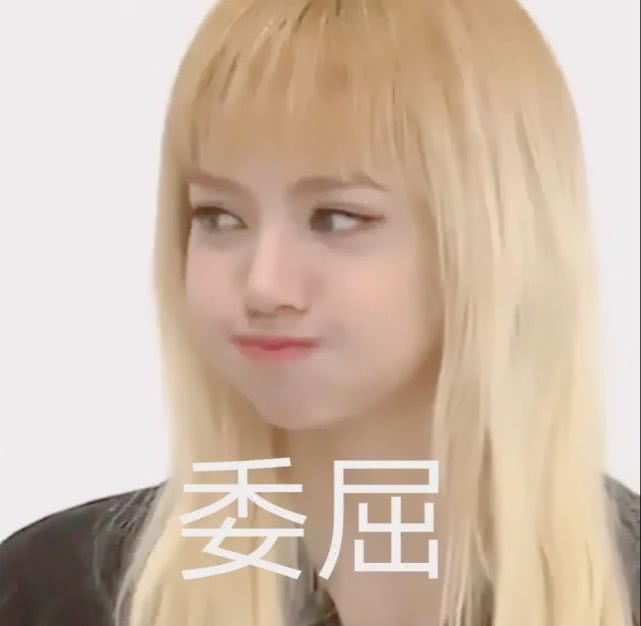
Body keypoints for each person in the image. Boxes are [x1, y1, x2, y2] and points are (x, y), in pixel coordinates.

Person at [1, 0, 639, 625]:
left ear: (495, 237)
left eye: (336, 218)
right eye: (219, 217)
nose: (264, 285)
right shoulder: (54, 593)